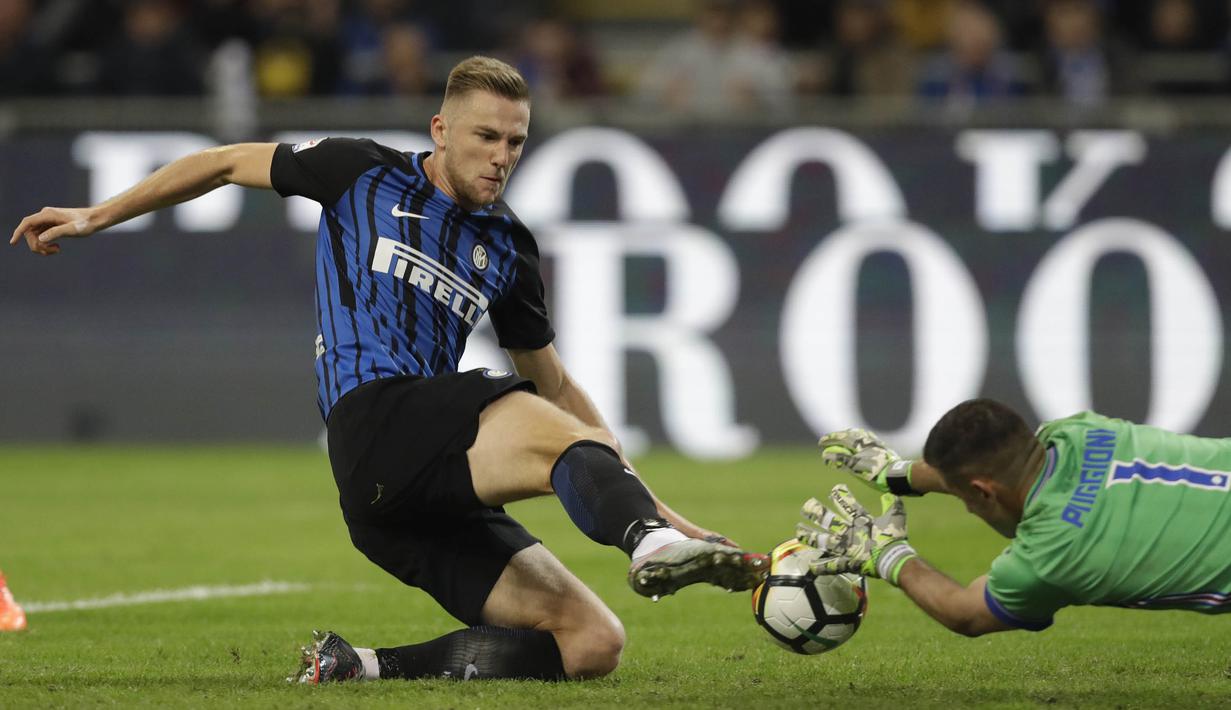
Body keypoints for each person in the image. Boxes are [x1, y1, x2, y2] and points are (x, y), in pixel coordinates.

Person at [9, 56, 767, 683]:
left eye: (515, 142)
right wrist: (92, 216)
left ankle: (359, 667)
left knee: (590, 644)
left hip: (404, 501)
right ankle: (645, 545)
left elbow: (556, 382)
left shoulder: (507, 246)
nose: (501, 156)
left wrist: (652, 502)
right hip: (375, 421)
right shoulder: (359, 172)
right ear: (440, 130)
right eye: (485, 136)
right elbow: (220, 163)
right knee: (542, 424)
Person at [794, 399, 1231, 636]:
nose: (966, 506)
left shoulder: (1052, 555)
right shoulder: (1082, 430)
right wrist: (899, 475)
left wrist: (888, 555)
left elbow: (966, 613)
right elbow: (997, 467)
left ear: (982, 493)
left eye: (968, 499)